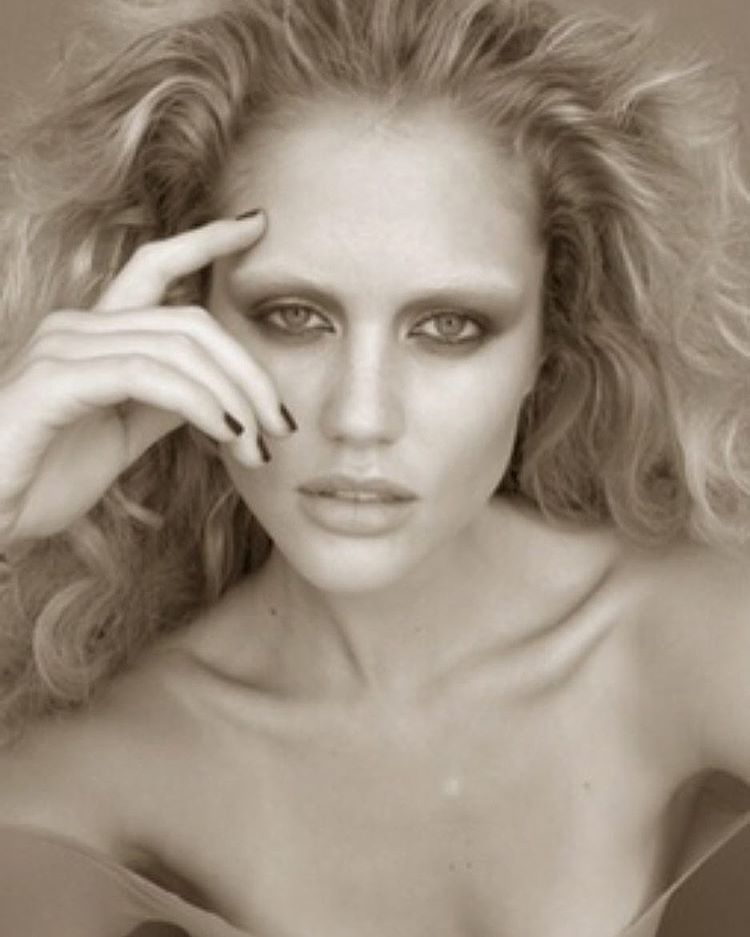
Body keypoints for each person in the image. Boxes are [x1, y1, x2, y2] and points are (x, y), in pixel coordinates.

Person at [0, 0, 748, 935]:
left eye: (448, 327)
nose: (360, 417)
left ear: (550, 343)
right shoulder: (90, 777)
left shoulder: (704, 637)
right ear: (182, 319)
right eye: (295, 317)